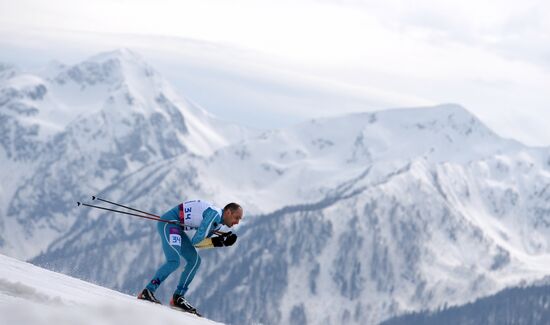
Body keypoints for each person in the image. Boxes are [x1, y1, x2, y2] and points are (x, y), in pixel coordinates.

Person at [138, 200, 243, 315]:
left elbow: (201, 241)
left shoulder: (217, 222)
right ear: (228, 212)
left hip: (177, 228)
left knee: (195, 261)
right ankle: (148, 291)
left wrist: (221, 241)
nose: (237, 222)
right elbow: (197, 242)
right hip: (169, 224)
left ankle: (178, 297)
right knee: (174, 261)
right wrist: (219, 242)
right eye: (236, 217)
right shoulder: (214, 215)